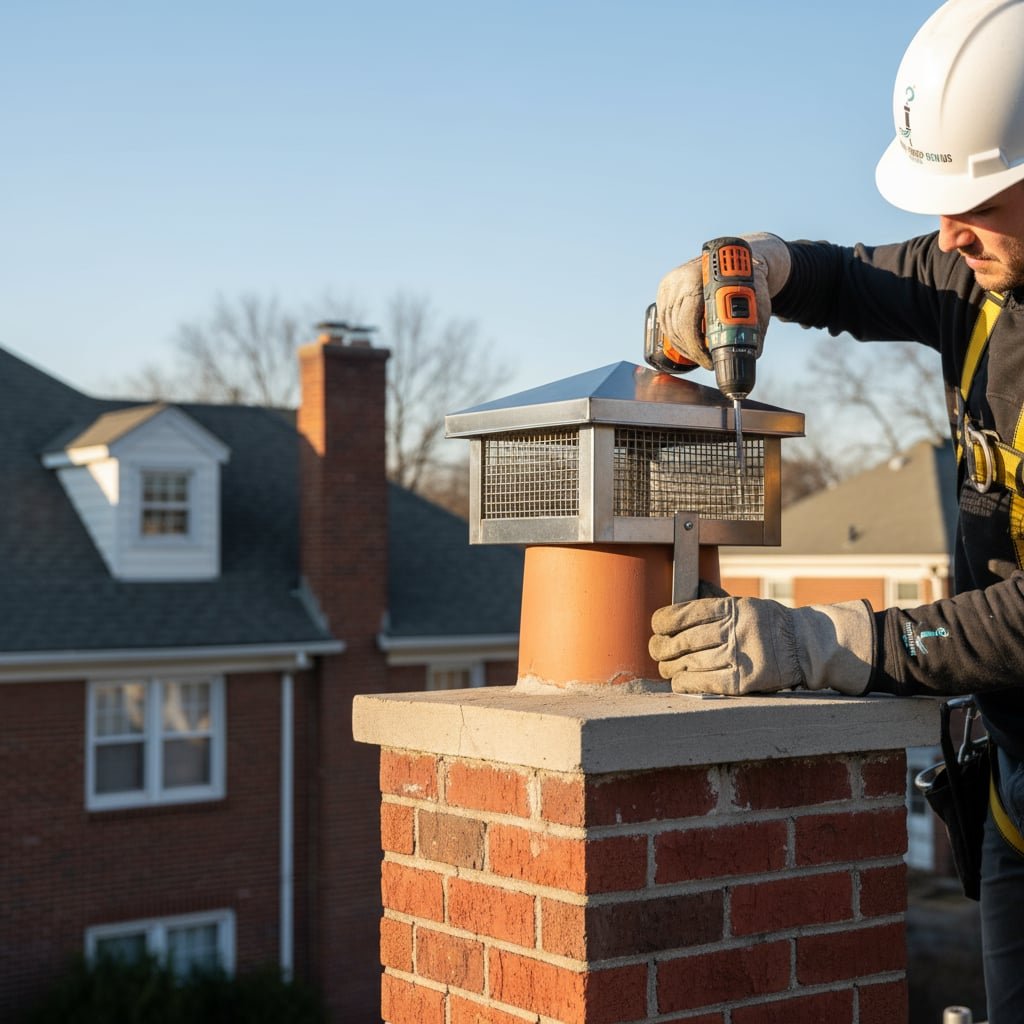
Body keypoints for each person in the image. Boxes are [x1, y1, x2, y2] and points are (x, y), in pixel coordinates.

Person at [648, 0, 1024, 1020]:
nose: (948, 232)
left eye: (981, 200)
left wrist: (828, 644)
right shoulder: (981, 273)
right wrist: (761, 265)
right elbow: (851, 278)